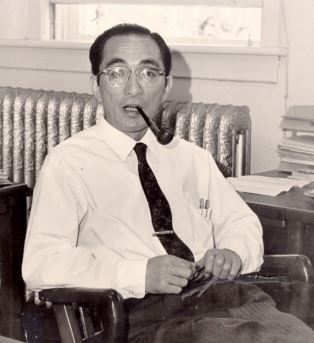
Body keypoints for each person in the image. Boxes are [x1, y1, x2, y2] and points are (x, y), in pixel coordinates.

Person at [22, 24, 314, 343]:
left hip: (233, 301)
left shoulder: (192, 158)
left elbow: (242, 223)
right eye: (118, 73)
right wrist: (140, 273)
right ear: (96, 85)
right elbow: (41, 264)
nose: (134, 89)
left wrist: (233, 251)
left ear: (167, 85)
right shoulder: (67, 162)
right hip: (138, 317)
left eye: (148, 74)